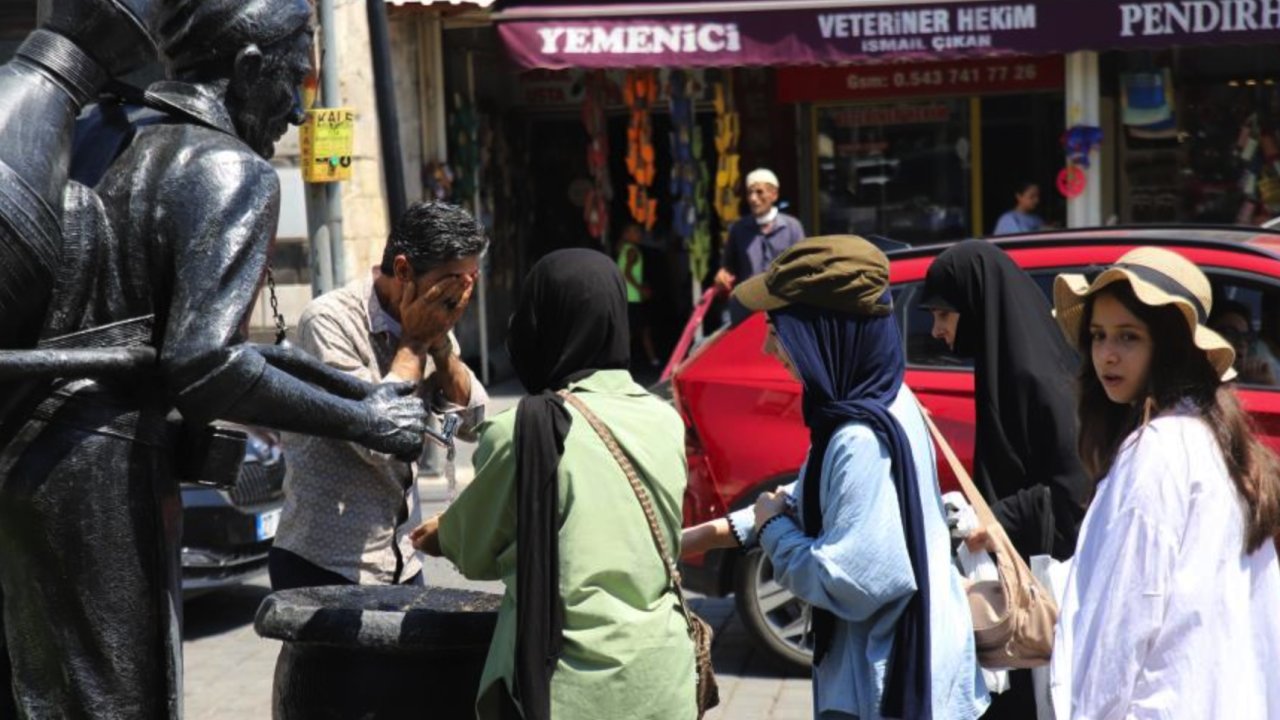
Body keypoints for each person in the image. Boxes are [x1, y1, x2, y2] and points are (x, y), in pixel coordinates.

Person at [0, 2, 431, 716]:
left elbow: (210, 348)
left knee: (36, 691)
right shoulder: (229, 170)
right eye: (293, 81)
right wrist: (360, 423)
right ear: (248, 69)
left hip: (24, 449)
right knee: (117, 698)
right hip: (103, 472)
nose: (296, 111)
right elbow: (204, 366)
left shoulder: (101, 134)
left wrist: (359, 398)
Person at [410, 249, 696, 720]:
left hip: (570, 690)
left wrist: (444, 535)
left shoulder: (523, 430)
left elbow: (478, 548)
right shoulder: (665, 421)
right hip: (663, 679)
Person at [732, 236, 988, 720]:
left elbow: (849, 579)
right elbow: (806, 492)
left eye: (779, 328)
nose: (770, 347)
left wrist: (772, 531)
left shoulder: (858, 436)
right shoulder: (884, 399)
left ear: (821, 329)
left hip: (888, 689)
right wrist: (732, 529)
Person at [1050, 247, 1280, 719]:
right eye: (1097, 336)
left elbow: (1122, 622)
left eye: (1129, 337)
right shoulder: (1217, 440)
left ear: (1169, 346)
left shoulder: (1157, 451)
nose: (1107, 354)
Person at [270, 202, 489, 591]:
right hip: (327, 564)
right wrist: (416, 342)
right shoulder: (330, 321)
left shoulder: (431, 315)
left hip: (400, 561)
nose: (461, 295)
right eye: (453, 281)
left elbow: (476, 425)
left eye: (470, 280)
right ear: (404, 271)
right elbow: (381, 441)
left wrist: (440, 348)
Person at [919, 240, 1089, 718]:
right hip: (1014, 584)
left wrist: (990, 518)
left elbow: (1073, 492)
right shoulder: (1004, 365)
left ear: (975, 306)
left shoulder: (1034, 379)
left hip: (1043, 595)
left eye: (944, 315)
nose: (936, 331)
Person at [714, 168, 805, 324]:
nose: (753, 198)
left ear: (774, 194)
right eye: (750, 193)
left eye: (759, 192)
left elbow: (803, 267)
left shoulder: (792, 227)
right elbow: (728, 267)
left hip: (783, 310)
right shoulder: (739, 229)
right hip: (748, 310)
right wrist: (722, 276)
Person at [616, 223, 660, 368]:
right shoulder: (632, 251)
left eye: (639, 232)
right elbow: (627, 273)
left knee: (639, 330)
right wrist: (641, 289)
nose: (639, 234)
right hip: (633, 298)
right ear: (627, 234)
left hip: (627, 297)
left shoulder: (623, 249)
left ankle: (649, 360)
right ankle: (623, 363)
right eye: (635, 232)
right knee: (638, 331)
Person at [1210, 299, 1278, 386]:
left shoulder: (1250, 383)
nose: (1242, 343)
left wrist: (1269, 384)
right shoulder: (1192, 383)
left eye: (1246, 337)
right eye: (1229, 333)